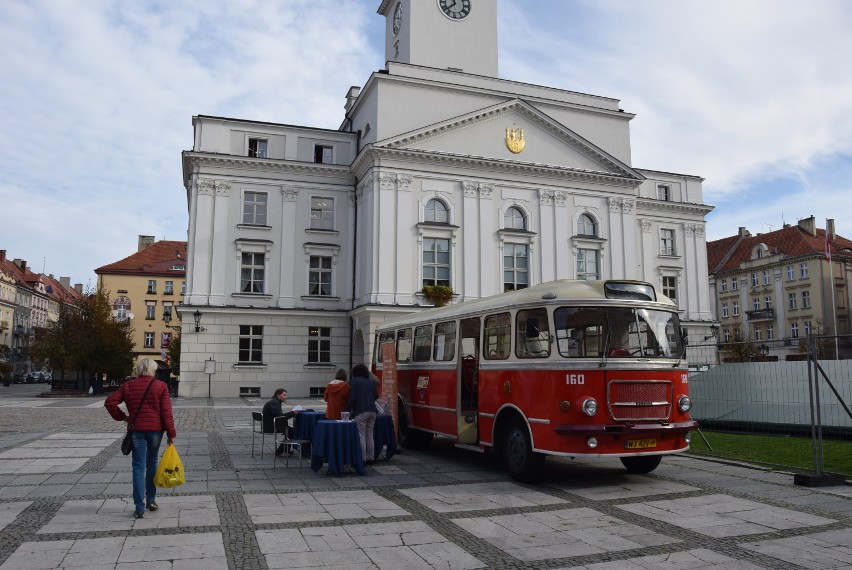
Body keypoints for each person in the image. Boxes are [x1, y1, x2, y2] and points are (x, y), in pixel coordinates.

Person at [104, 358, 176, 519]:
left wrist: (123, 417)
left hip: (137, 431)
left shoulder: (128, 385)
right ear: (152, 370)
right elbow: (166, 413)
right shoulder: (161, 386)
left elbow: (110, 402)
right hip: (156, 431)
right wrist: (171, 434)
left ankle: (139, 507)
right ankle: (151, 500)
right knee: (152, 463)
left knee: (138, 467)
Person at [348, 364, 378, 465]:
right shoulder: (370, 381)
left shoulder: (355, 381)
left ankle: (363, 458)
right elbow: (376, 396)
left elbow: (352, 398)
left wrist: (348, 409)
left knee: (361, 435)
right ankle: (371, 457)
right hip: (373, 411)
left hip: (361, 410)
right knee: (370, 435)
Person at [262, 388, 299, 455]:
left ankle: (284, 450)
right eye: (284, 395)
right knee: (292, 431)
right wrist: (292, 413)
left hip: (270, 424)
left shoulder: (275, 401)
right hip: (271, 426)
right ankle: (281, 451)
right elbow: (280, 418)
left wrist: (291, 413)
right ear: (278, 395)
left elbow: (279, 416)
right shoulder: (274, 402)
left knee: (289, 430)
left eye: (286, 395)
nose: (285, 397)